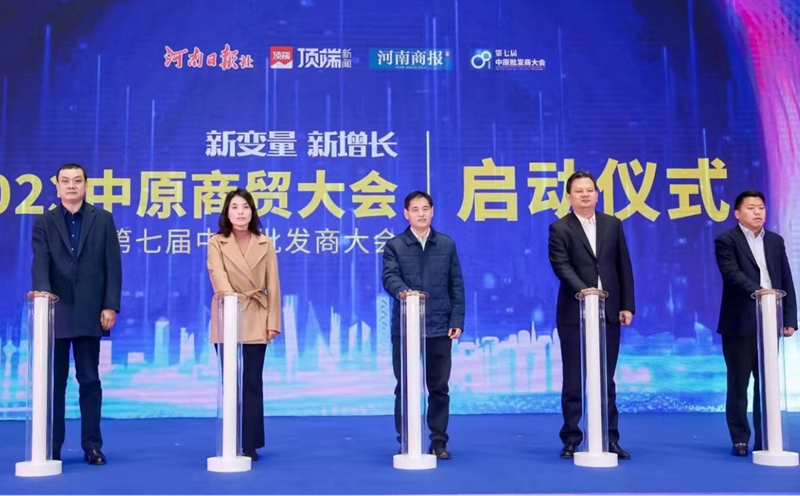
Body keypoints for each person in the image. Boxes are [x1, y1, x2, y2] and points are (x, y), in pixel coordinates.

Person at [31, 163, 122, 465]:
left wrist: (110, 305)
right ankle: (52, 445)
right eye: (65, 181)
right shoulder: (44, 221)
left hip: (90, 311)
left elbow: (112, 265)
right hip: (55, 311)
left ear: (85, 185)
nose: (71, 185)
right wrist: (43, 296)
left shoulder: (102, 219)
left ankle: (92, 446)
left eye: (77, 180)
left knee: (90, 381)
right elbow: (40, 261)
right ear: (57, 186)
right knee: (55, 384)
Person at [547, 171, 635, 461]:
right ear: (569, 197)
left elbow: (623, 266)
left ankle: (610, 438)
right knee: (574, 378)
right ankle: (572, 438)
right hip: (574, 312)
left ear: (597, 194)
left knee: (606, 379)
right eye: (579, 191)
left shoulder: (612, 224)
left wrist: (627, 305)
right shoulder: (559, 228)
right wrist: (585, 291)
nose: (585, 195)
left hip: (609, 313)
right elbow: (561, 265)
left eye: (590, 190)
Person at [382, 191, 465, 460]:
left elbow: (456, 284)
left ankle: (438, 441)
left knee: (439, 387)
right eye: (415, 209)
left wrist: (457, 320)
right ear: (406, 214)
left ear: (432, 211)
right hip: (406, 328)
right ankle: (406, 439)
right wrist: (405, 293)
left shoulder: (446, 244)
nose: (421, 213)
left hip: (439, 326)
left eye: (425, 208)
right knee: (405, 386)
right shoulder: (395, 245)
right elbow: (389, 277)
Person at [714, 190, 796, 457]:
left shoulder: (775, 241)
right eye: (751, 208)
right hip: (739, 323)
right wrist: (760, 292)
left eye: (761, 207)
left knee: (767, 383)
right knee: (738, 383)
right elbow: (731, 274)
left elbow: (785, 278)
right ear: (738, 214)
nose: (758, 212)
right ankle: (740, 438)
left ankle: (766, 437)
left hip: (771, 322)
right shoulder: (726, 240)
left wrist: (790, 318)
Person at [206, 188, 281, 461]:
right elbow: (217, 274)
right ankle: (231, 437)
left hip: (256, 316)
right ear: (227, 213)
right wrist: (231, 299)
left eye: (245, 207)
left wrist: (273, 321)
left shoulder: (265, 242)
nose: (240, 212)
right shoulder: (216, 242)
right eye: (235, 207)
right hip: (227, 314)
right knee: (230, 382)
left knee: (252, 381)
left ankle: (250, 442)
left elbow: (273, 284)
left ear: (252, 211)